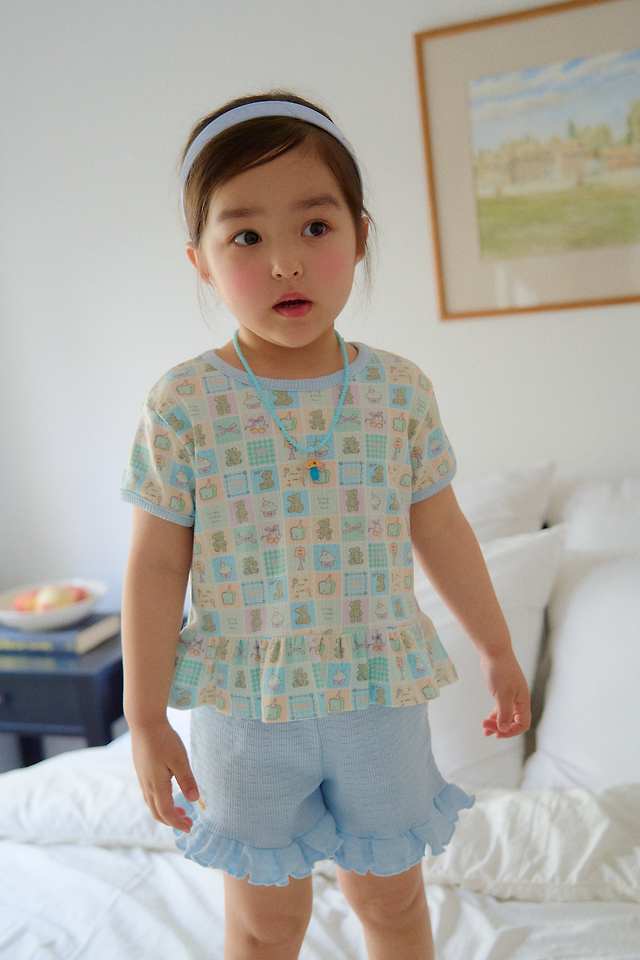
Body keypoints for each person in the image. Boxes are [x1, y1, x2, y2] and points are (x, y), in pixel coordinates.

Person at [119, 88, 531, 960]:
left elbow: (443, 528)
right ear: (201, 262)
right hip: (246, 715)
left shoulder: (398, 392)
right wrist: (146, 717)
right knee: (265, 924)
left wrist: (496, 648)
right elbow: (155, 567)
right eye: (246, 237)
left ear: (359, 235)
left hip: (377, 702)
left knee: (391, 901)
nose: (285, 264)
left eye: (314, 227)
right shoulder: (185, 403)